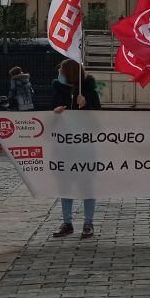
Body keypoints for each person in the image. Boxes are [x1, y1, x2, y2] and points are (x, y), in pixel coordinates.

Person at [48, 59, 103, 238]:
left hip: (85, 147)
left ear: (70, 73)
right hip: (63, 148)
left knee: (87, 186)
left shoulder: (89, 91)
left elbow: (98, 122)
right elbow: (49, 121)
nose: (59, 74)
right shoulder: (58, 91)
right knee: (65, 187)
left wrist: (85, 106)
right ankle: (67, 223)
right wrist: (54, 113)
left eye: (62, 71)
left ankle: (88, 223)